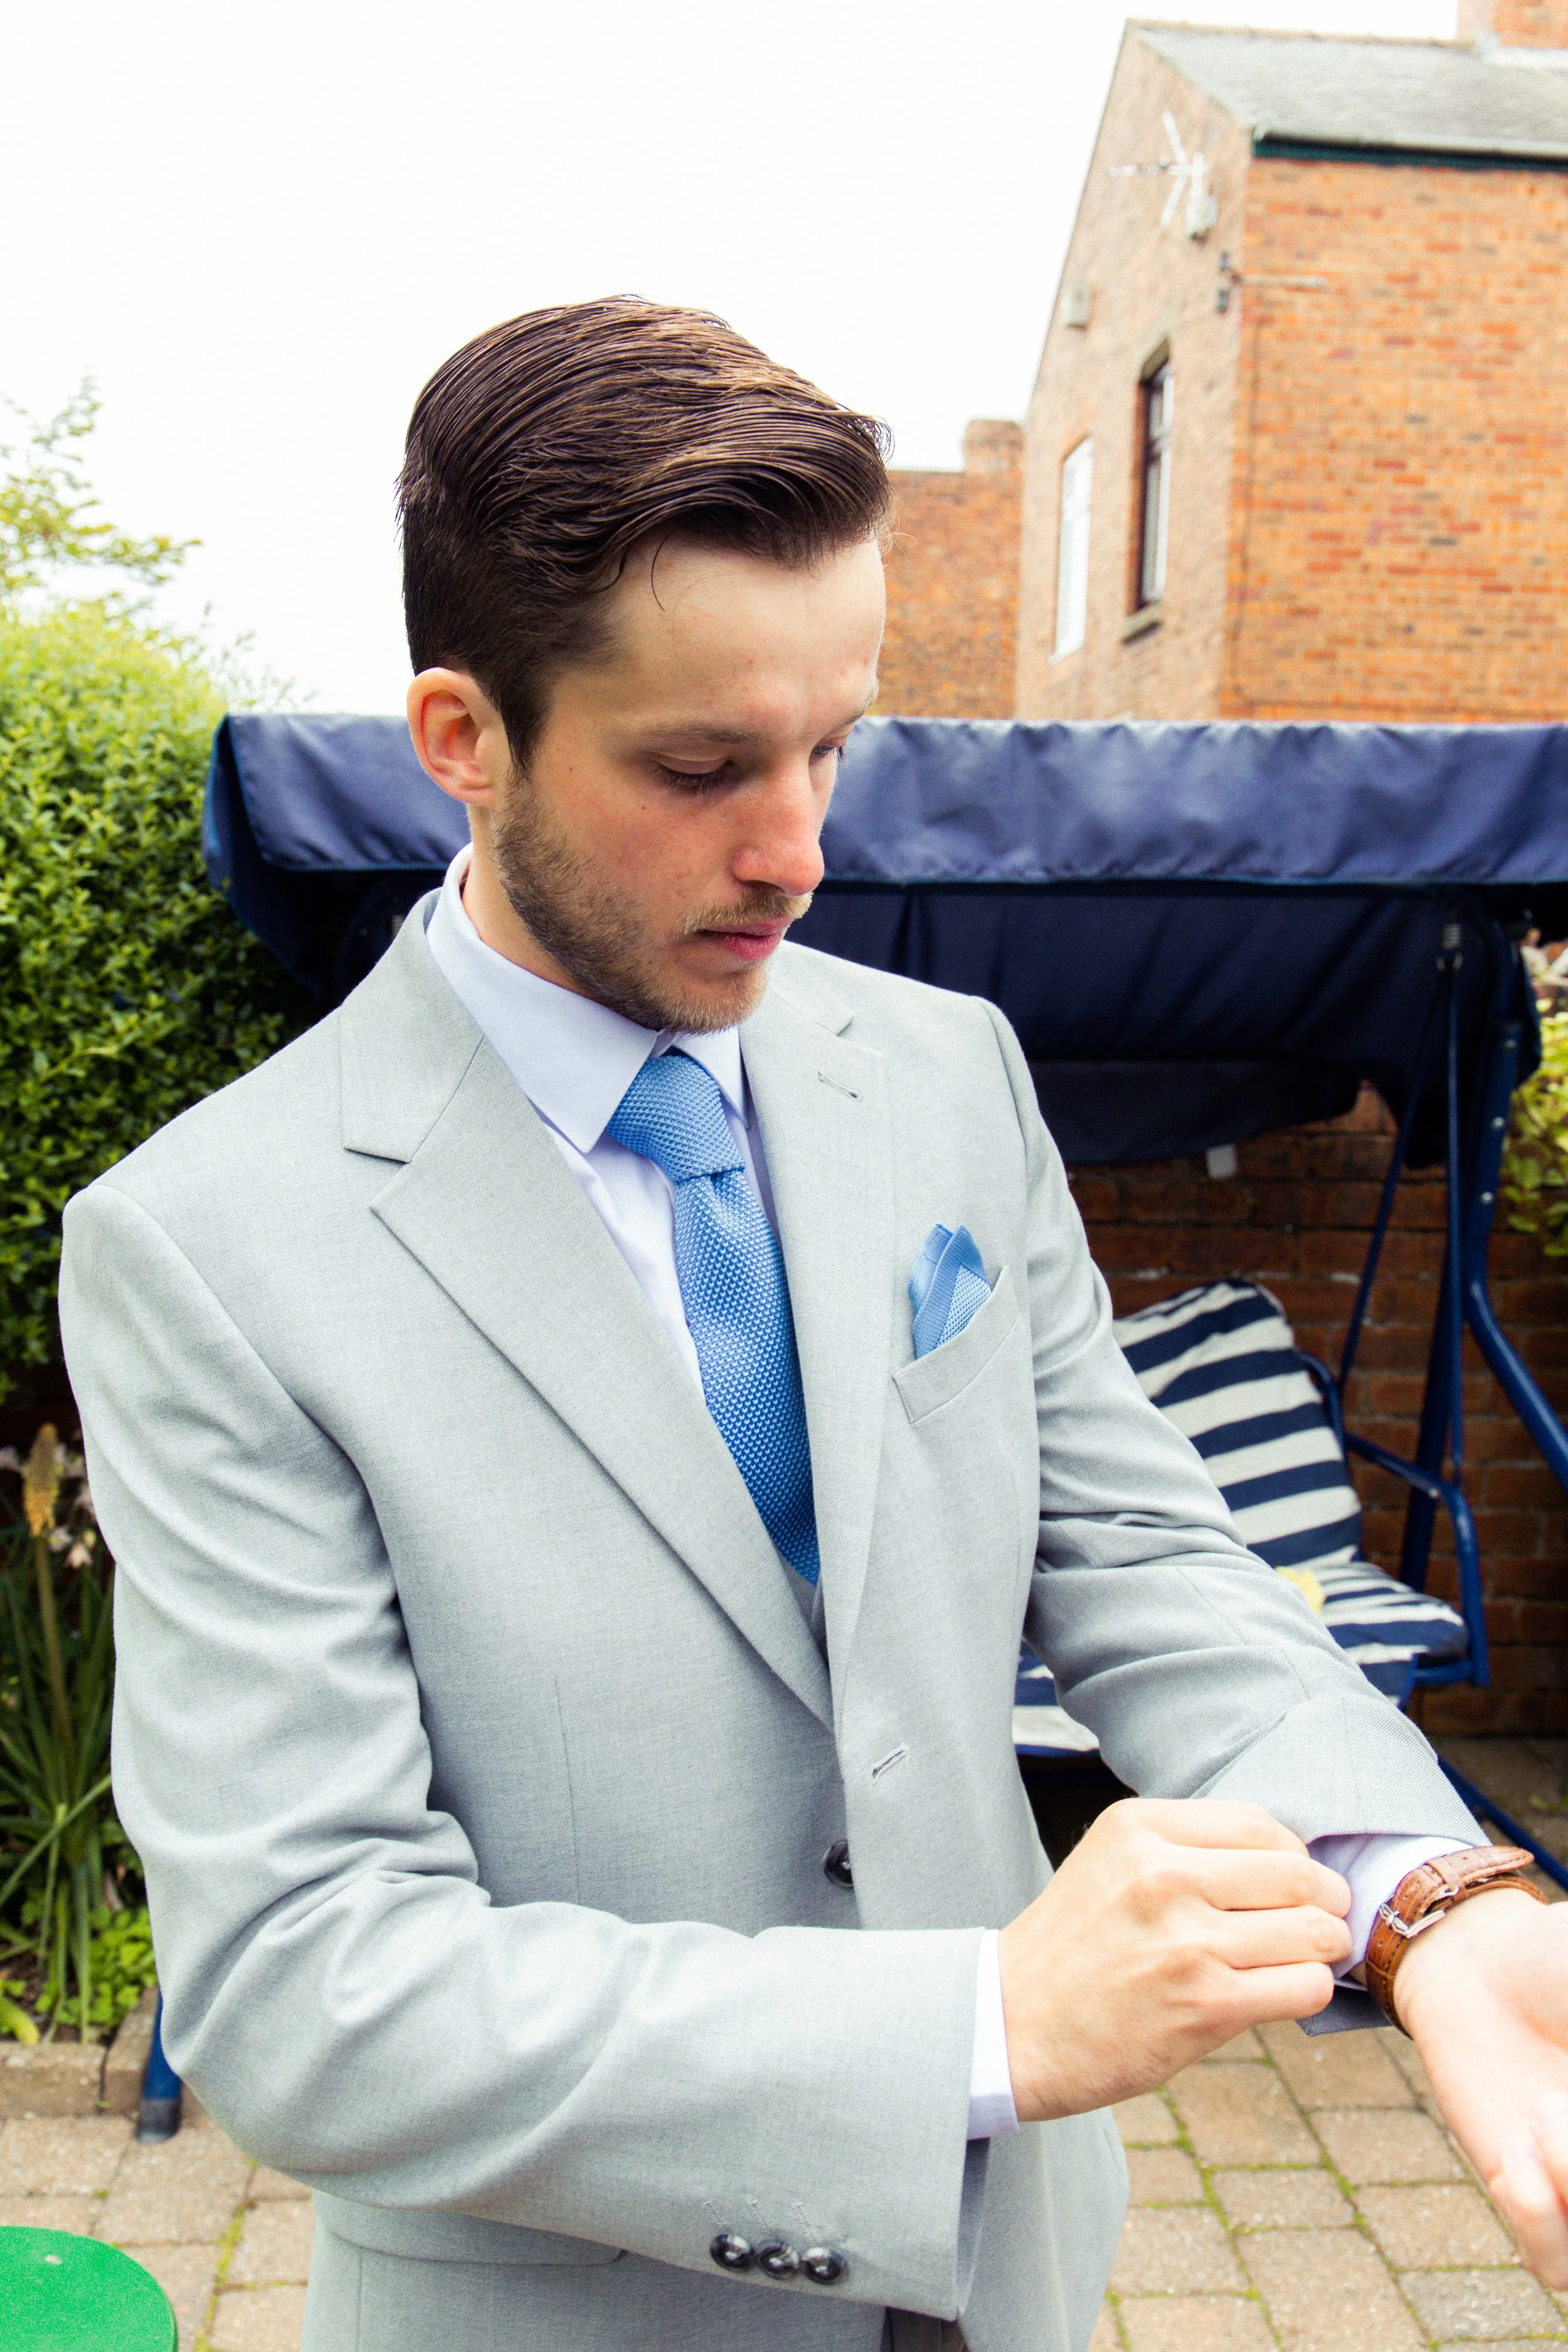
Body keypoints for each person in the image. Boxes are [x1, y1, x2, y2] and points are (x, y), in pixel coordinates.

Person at [58, 299, 1568, 2352]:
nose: (798, 852)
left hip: (1013, 2267)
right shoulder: (211, 1245)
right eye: (699, 767)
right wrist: (978, 2017)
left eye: (833, 744)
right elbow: (308, 1986)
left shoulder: (947, 1075)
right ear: (461, 737)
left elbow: (1134, 1552)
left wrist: (1428, 1893)